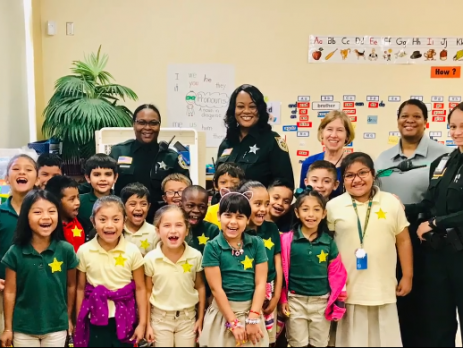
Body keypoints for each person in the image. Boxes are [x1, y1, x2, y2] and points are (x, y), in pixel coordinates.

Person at [375, 98, 450, 347]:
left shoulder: (444, 155)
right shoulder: (383, 159)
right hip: (390, 239)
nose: (410, 120)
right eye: (404, 115)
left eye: (416, 116)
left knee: (429, 303)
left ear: (426, 122)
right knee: (398, 297)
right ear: (397, 120)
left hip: (427, 237)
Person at [327, 152, 413, 347]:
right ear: (343, 180)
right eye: (350, 175)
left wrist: (407, 275)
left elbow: (404, 240)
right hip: (348, 288)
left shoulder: (391, 203)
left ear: (373, 174)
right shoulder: (333, 207)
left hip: (383, 287)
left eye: (362, 173)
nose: (357, 180)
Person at [403, 102, 463, 347]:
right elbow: (428, 203)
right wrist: (395, 207)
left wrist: (437, 222)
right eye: (453, 126)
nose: (457, 132)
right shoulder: (443, 161)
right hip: (439, 256)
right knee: (438, 324)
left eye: (462, 126)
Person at [0, 190, 78, 348]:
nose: (46, 217)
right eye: (37, 212)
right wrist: (8, 328)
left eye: (52, 211)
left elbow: (71, 285)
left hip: (56, 326)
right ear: (25, 216)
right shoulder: (15, 252)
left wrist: (68, 319)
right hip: (23, 327)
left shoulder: (66, 250)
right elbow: (9, 292)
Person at [199, 191, 269, 347]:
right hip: (224, 313)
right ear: (219, 216)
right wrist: (233, 323)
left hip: (252, 311)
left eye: (240, 217)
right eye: (228, 215)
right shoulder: (212, 247)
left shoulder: (257, 244)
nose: (233, 222)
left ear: (247, 219)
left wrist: (253, 318)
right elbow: (216, 289)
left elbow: (260, 283)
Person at [279, 187, 347, 348]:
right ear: (297, 213)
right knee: (297, 343)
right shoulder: (287, 240)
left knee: (320, 343)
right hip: (295, 301)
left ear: (324, 214)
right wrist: (283, 299)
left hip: (322, 303)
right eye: (305, 209)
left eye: (316, 210)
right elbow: (281, 275)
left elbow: (338, 273)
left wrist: (339, 302)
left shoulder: (328, 242)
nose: (311, 214)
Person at [74, 196, 146, 347]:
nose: (109, 225)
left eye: (115, 219)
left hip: (126, 317)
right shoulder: (84, 251)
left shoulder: (132, 251)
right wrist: (78, 319)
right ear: (93, 221)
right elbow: (80, 288)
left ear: (124, 221)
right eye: (102, 219)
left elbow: (140, 288)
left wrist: (142, 323)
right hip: (94, 317)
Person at [110, 104, 190, 222]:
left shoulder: (171, 157)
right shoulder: (119, 152)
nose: (147, 127)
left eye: (153, 123)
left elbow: (187, 192)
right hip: (125, 220)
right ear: (134, 124)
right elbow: (103, 180)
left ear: (159, 126)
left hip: (161, 221)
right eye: (141, 122)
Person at [144, 205, 206, 347]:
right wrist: (147, 324)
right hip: (160, 319)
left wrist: (200, 318)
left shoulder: (195, 256)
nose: (173, 230)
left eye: (179, 225)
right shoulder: (151, 259)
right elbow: (147, 292)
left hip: (187, 319)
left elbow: (200, 287)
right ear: (158, 231)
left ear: (187, 230)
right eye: (166, 225)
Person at [215, 84, 294, 189]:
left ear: (260, 110)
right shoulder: (226, 143)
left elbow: (285, 184)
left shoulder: (272, 141)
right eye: (240, 106)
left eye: (252, 106)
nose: (246, 111)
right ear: (233, 110)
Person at [239, 181, 282, 346]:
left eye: (266, 204)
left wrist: (276, 296)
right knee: (245, 338)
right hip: (245, 293)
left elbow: (278, 264)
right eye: (257, 204)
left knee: (265, 338)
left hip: (268, 292)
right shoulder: (236, 231)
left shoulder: (271, 228)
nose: (263, 209)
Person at [0, 154, 38, 333]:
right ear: (7, 178)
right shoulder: (1, 212)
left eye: (28, 169)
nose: (22, 172)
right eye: (16, 169)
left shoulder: (45, 214)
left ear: (37, 178)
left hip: (35, 289)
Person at [300, 110, 356, 197]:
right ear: (322, 133)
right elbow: (303, 199)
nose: (333, 135)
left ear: (347, 136)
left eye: (340, 130)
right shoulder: (309, 163)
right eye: (329, 129)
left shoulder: (354, 165)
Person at [45, 175, 92, 251]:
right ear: (56, 201)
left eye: (78, 197)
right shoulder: (48, 229)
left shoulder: (84, 224)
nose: (78, 203)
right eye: (72, 199)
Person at [78, 154, 118, 229]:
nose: (103, 179)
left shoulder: (121, 203)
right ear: (88, 178)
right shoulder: (78, 201)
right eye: (97, 175)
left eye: (108, 174)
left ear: (115, 177)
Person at [181, 185, 219, 254]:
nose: (196, 210)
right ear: (181, 205)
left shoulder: (212, 230)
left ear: (207, 208)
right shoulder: (174, 228)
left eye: (202, 207)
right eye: (190, 206)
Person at [121, 183, 157, 256]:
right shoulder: (117, 229)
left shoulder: (155, 233)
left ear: (149, 206)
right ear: (123, 206)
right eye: (132, 204)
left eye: (143, 204)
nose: (138, 208)